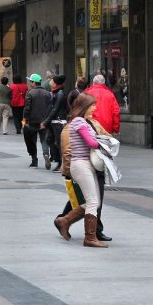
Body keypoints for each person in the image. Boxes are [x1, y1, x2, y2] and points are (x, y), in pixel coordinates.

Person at [55, 93, 108, 248]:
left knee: (93, 202)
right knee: (92, 202)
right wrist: (104, 143)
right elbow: (91, 142)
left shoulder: (84, 121)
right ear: (84, 106)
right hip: (81, 165)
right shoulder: (78, 122)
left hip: (85, 165)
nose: (95, 108)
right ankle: (90, 238)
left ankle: (64, 221)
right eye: (92, 105)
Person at [23, 73, 53, 168]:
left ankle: (34, 159)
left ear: (33, 83)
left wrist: (24, 120)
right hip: (44, 121)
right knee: (44, 139)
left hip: (32, 121)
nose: (30, 83)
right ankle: (46, 154)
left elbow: (27, 108)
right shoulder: (47, 93)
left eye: (30, 82)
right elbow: (50, 107)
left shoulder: (30, 93)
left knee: (31, 140)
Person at [41, 75, 69, 172]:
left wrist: (46, 121)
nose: (51, 84)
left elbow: (55, 109)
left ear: (57, 84)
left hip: (59, 122)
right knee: (50, 141)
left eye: (52, 82)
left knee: (58, 143)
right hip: (55, 122)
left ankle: (61, 163)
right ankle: (58, 160)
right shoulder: (56, 93)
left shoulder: (60, 94)